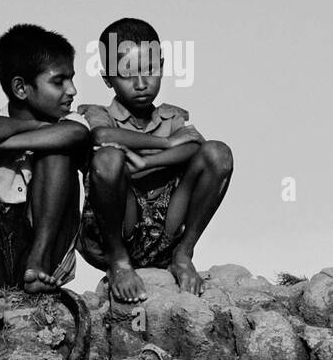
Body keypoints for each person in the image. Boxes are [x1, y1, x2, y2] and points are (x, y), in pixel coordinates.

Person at [76, 18, 233, 303]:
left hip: (165, 231)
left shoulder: (172, 116)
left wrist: (148, 163)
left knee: (218, 153)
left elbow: (197, 146)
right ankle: (120, 263)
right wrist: (166, 143)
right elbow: (100, 136)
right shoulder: (100, 115)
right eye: (127, 75)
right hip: (117, 231)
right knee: (108, 159)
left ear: (161, 65)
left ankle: (183, 255)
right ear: (107, 79)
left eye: (149, 70)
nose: (140, 84)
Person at [0, 24, 89, 324]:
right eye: (59, 82)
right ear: (21, 88)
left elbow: (74, 133)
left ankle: (38, 264)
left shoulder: (70, 121)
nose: (72, 90)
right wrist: (41, 130)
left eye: (71, 79)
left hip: (43, 251)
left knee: (58, 149)